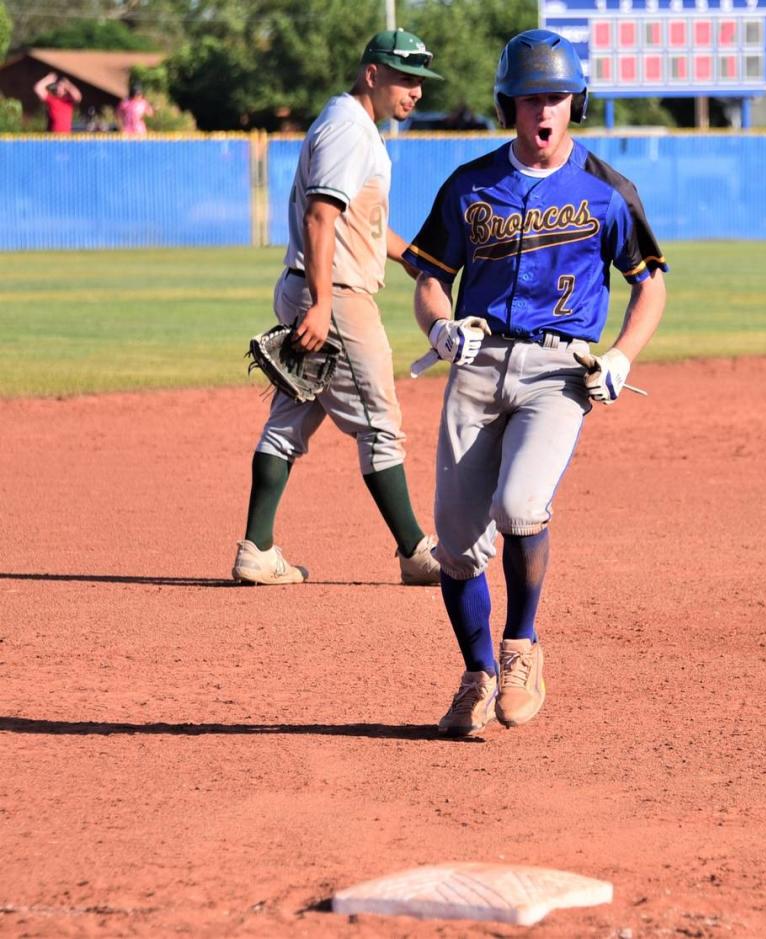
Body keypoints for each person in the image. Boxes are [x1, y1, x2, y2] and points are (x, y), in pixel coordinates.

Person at [402, 29, 668, 736]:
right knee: (455, 545)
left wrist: (621, 356)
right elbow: (431, 277)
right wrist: (439, 328)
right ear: (508, 106)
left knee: (521, 503)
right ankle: (477, 674)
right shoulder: (470, 185)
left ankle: (522, 646)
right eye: (528, 99)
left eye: (553, 96)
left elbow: (651, 282)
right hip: (477, 362)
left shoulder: (607, 190)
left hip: (559, 372)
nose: (541, 109)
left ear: (575, 101)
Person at [232, 28, 445, 587]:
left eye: (420, 81)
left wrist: (412, 258)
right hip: (337, 296)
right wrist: (324, 303)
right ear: (372, 74)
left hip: (319, 286)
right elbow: (320, 219)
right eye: (405, 78)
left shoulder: (352, 125)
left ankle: (256, 549)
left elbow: (358, 224)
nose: (416, 91)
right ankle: (415, 552)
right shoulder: (350, 129)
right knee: (380, 423)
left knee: (289, 422)